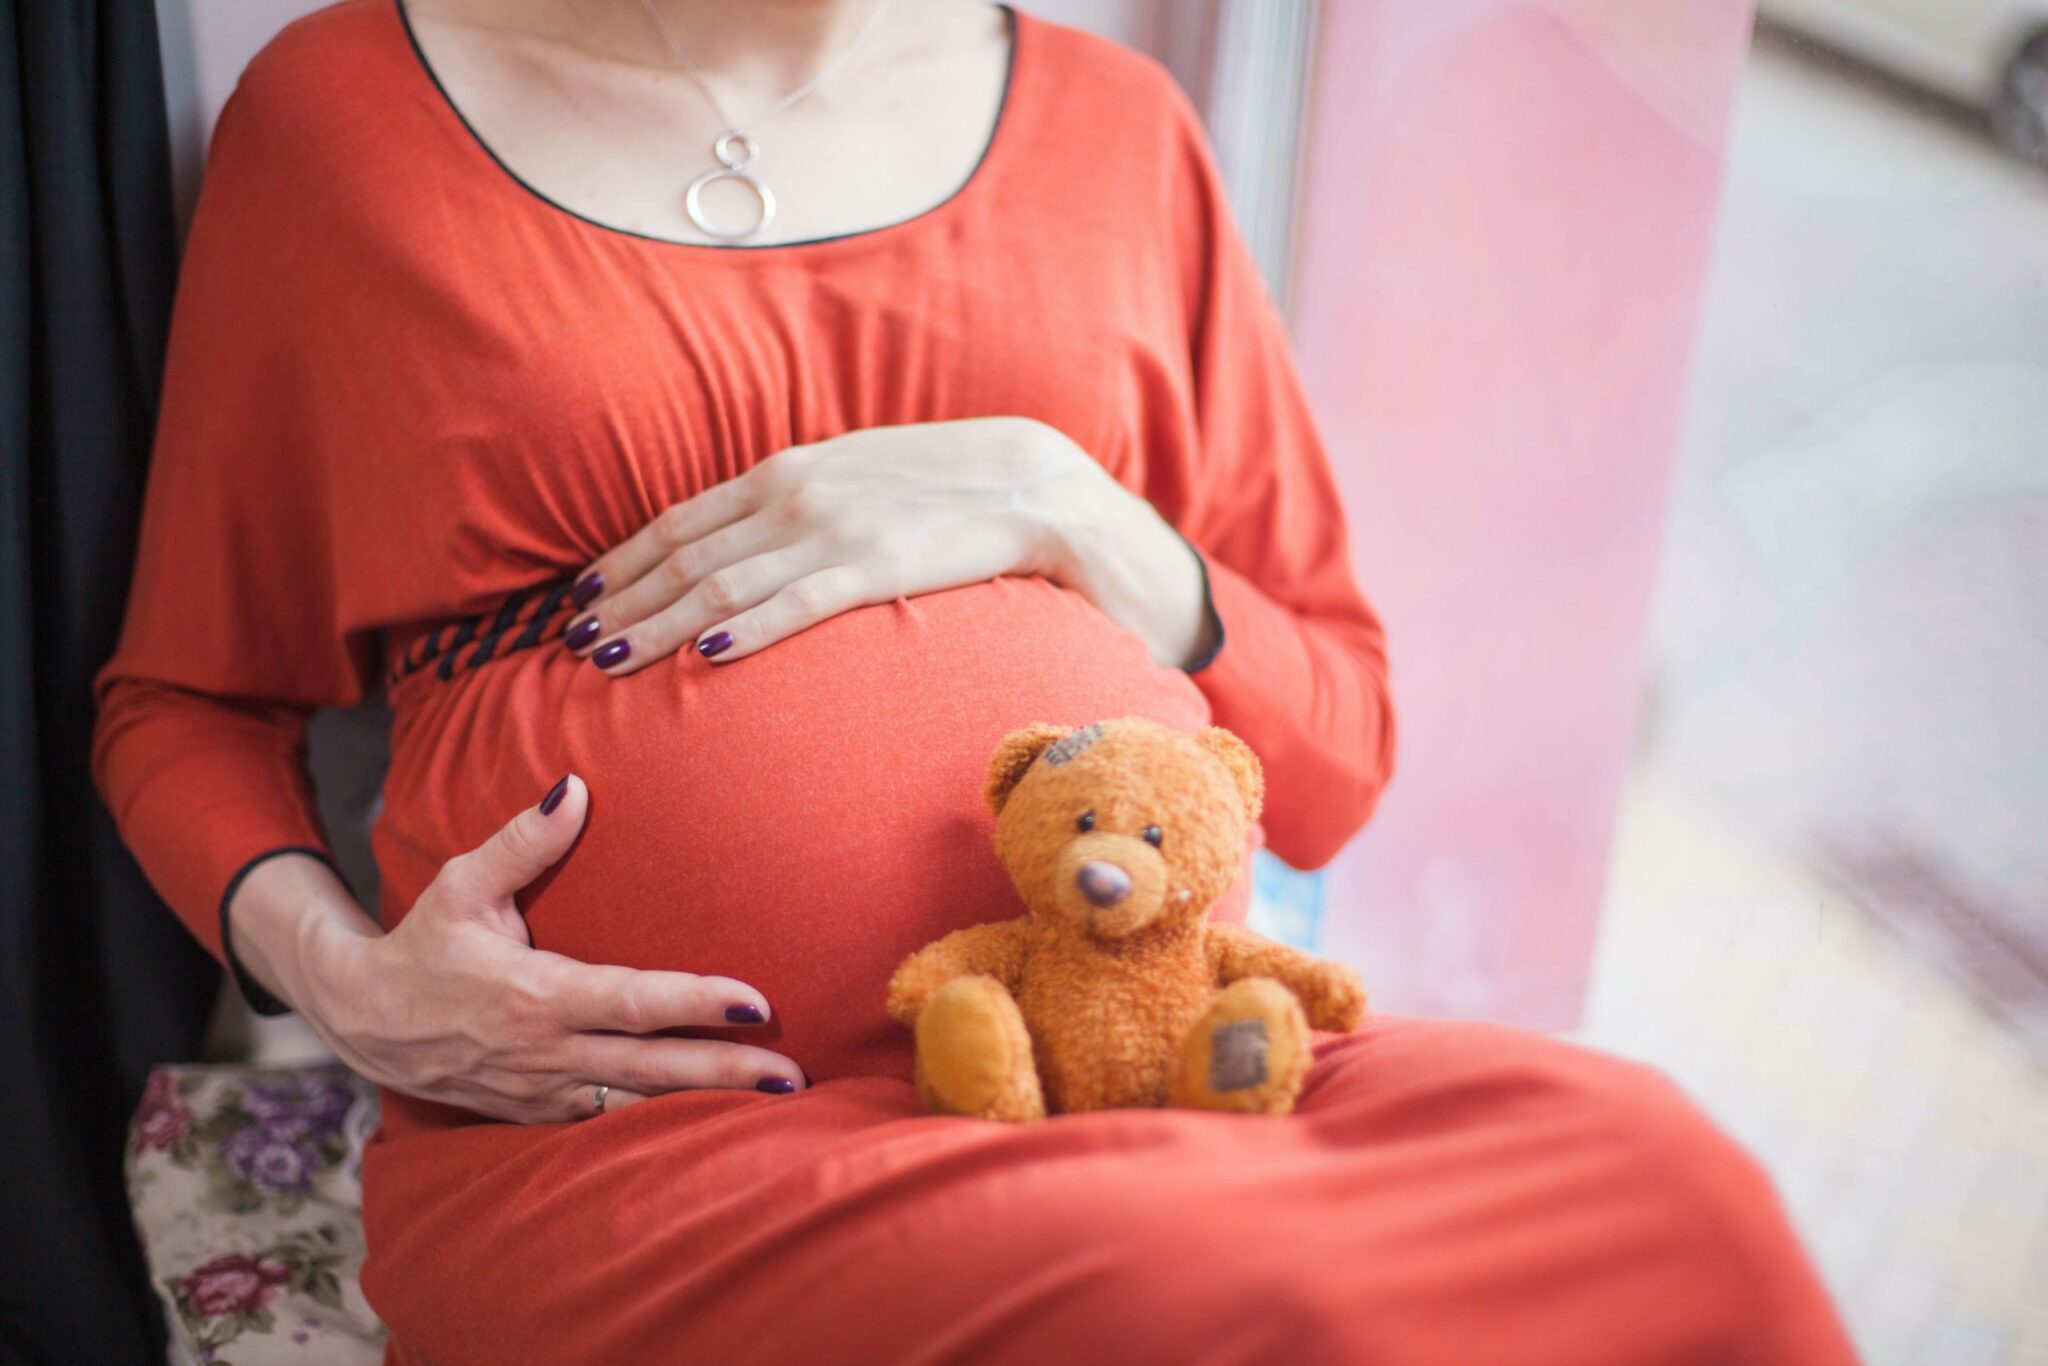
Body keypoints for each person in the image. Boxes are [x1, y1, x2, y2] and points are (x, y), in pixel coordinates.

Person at [90, 0, 1856, 1361]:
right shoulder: (344, 123)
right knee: (1232, 1294)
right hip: (650, 1139)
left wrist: (1071, 511)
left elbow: (1338, 749)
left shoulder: (1121, 135)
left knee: (1674, 1189)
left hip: (1166, 1053)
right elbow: (183, 702)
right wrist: (354, 985)